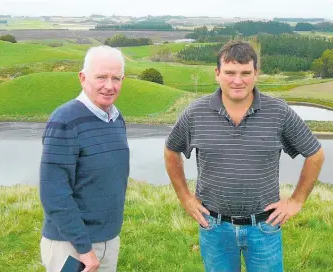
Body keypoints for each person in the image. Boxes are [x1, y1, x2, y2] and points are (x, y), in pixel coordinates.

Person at [164, 40, 325, 272]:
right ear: (217, 74)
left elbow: (315, 154)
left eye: (245, 73)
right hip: (214, 227)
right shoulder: (195, 113)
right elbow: (171, 150)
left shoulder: (278, 112)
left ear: (256, 73)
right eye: (230, 72)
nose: (237, 80)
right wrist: (186, 198)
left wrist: (296, 201)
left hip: (264, 227)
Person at [39, 45, 129, 272]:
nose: (109, 86)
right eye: (101, 77)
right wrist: (84, 248)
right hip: (71, 246)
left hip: (108, 240)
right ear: (83, 77)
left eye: (116, 78)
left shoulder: (116, 119)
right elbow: (54, 194)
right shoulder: (65, 121)